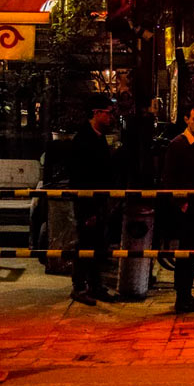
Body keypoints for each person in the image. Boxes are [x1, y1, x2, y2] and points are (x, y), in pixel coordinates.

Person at [66, 94, 120, 306]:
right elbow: (79, 177)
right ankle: (79, 286)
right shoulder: (83, 140)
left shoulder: (98, 137)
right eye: (108, 113)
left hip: (100, 201)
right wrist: (88, 210)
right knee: (86, 243)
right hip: (88, 202)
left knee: (97, 244)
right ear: (96, 113)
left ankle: (95, 284)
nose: (111, 117)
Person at [159, 103, 194, 313]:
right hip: (186, 209)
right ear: (187, 120)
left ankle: (186, 294)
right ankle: (182, 296)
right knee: (185, 253)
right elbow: (169, 178)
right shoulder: (178, 145)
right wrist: (181, 204)